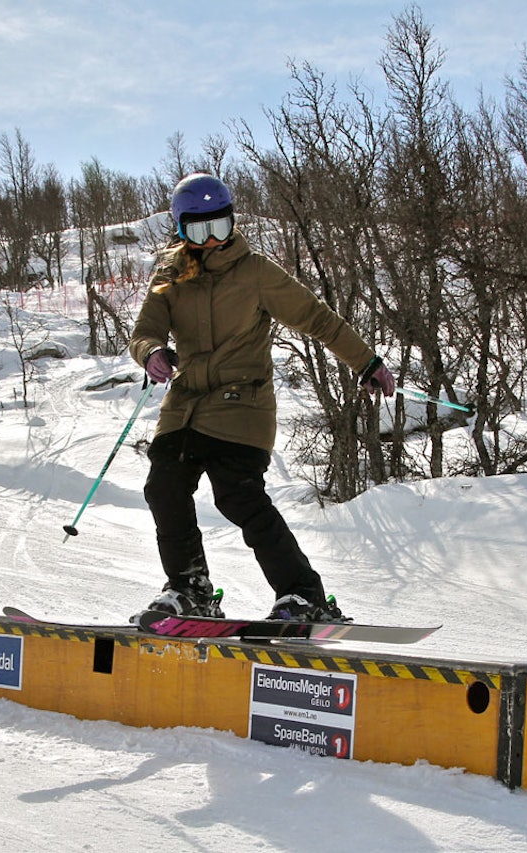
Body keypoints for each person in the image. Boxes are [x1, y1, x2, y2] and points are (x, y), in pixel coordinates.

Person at [129, 173, 395, 623]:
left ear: (233, 222)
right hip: (185, 404)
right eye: (199, 230)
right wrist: (151, 352)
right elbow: (145, 331)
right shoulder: (169, 274)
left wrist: (366, 362)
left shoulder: (255, 271)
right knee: (163, 486)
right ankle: (189, 587)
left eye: (220, 226)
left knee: (237, 496)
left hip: (242, 404)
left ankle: (302, 595)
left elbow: (316, 318)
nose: (212, 240)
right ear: (181, 230)